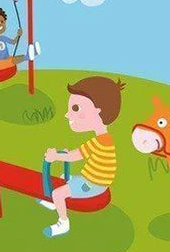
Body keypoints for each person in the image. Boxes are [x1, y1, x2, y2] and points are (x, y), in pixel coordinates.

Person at [39, 76, 123, 238]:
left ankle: (63, 222)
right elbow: (76, 154)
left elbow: (73, 156)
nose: (67, 115)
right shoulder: (105, 139)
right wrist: (63, 155)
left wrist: (54, 156)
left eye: (75, 108)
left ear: (98, 111)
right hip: (95, 180)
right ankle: (56, 204)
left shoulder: (97, 142)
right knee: (63, 177)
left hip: (93, 184)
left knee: (58, 193)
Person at [0, 4, 40, 71]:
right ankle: (28, 57)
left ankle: (34, 53)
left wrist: (18, 35)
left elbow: (13, 42)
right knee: (14, 60)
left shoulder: (3, 38)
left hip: (7, 58)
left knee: (19, 57)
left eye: (1, 22)